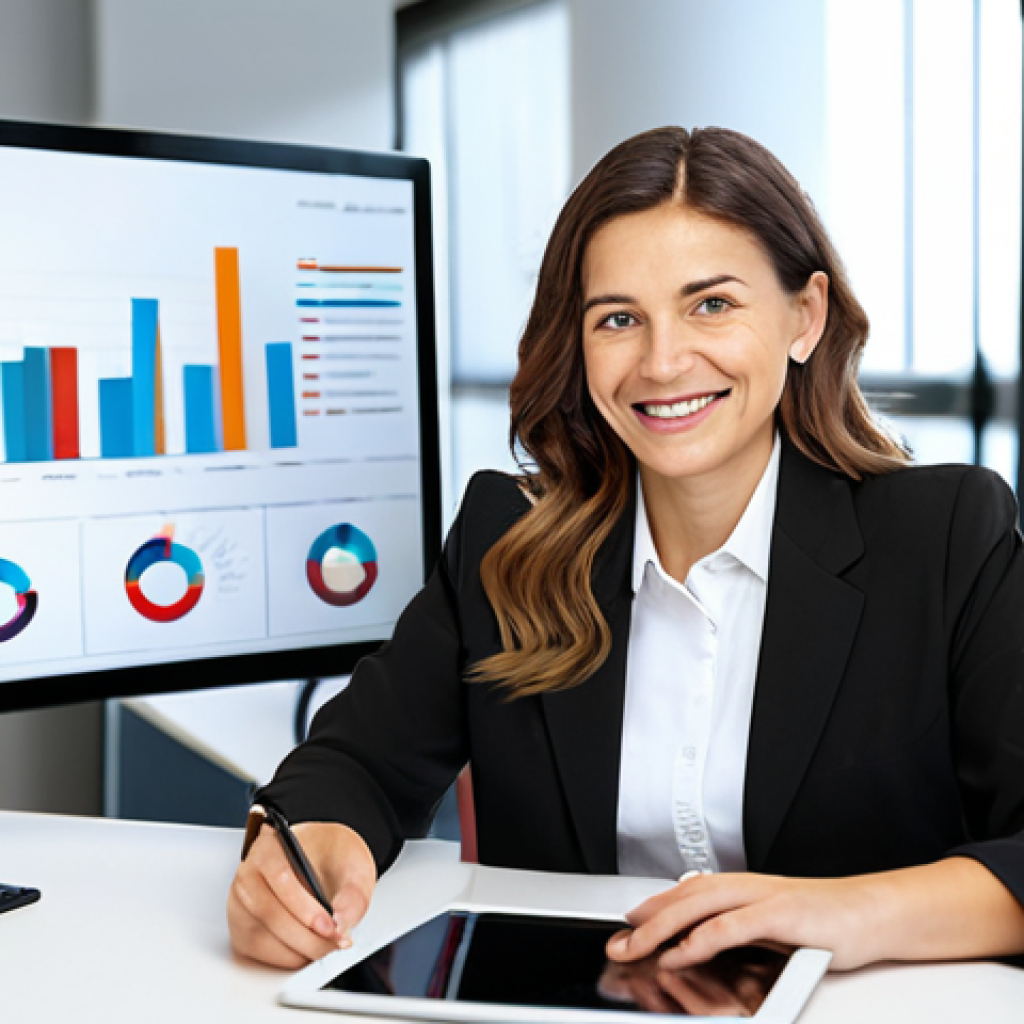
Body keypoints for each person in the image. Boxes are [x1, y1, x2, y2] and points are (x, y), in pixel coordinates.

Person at [228, 126, 1024, 974]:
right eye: (619, 319)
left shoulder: (944, 540)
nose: (663, 360)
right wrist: (308, 848)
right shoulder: (509, 541)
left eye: (711, 304)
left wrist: (836, 910)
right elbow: (353, 761)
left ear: (805, 315)